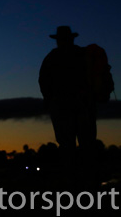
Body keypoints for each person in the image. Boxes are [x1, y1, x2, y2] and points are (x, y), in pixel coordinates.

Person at [39, 26, 96, 180]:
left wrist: (49, 99)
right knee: (86, 141)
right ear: (72, 38)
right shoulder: (82, 54)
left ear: (58, 40)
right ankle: (88, 177)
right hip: (83, 104)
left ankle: (71, 177)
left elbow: (43, 80)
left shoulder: (52, 57)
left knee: (66, 143)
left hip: (61, 106)